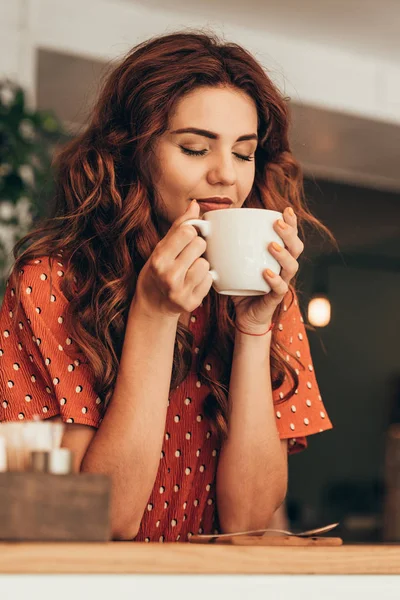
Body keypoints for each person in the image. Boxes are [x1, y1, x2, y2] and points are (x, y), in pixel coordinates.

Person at [0, 31, 334, 542]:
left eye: (244, 153)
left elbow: (248, 521)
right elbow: (89, 520)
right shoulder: (50, 282)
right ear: (134, 153)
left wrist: (254, 327)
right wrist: (153, 317)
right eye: (196, 148)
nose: (226, 175)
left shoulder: (266, 292)